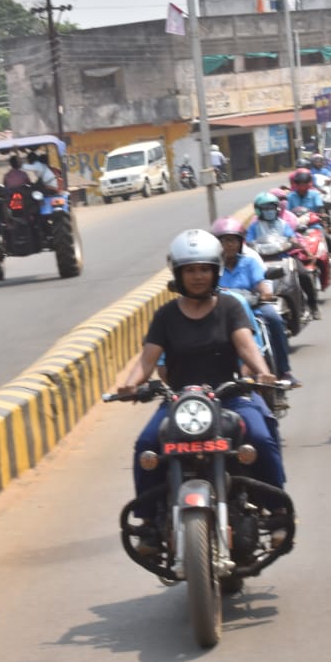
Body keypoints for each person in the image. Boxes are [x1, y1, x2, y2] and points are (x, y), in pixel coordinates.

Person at [116, 229, 284, 550]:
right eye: (190, 270)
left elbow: (247, 346)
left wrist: (263, 373)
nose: (197, 277)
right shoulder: (165, 316)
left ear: (215, 271)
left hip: (229, 396)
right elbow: (147, 359)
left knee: (261, 437)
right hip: (181, 402)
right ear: (178, 273)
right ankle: (150, 522)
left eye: (204, 269)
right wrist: (130, 384)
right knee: (147, 445)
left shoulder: (230, 307)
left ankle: (275, 512)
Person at [213, 217, 298, 385]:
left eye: (232, 240)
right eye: (224, 241)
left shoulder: (249, 262)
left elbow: (261, 285)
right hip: (222, 314)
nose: (228, 245)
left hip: (252, 309)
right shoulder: (211, 267)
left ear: (240, 242)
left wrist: (265, 294)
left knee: (274, 318)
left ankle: (284, 370)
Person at [287, 169, 331, 269]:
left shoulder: (314, 194)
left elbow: (320, 208)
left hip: (313, 224)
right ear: (296, 184)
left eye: (304, 184)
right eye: (299, 184)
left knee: (326, 238)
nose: (302, 186)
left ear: (309, 184)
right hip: (296, 226)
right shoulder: (290, 197)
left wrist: (323, 217)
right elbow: (287, 212)